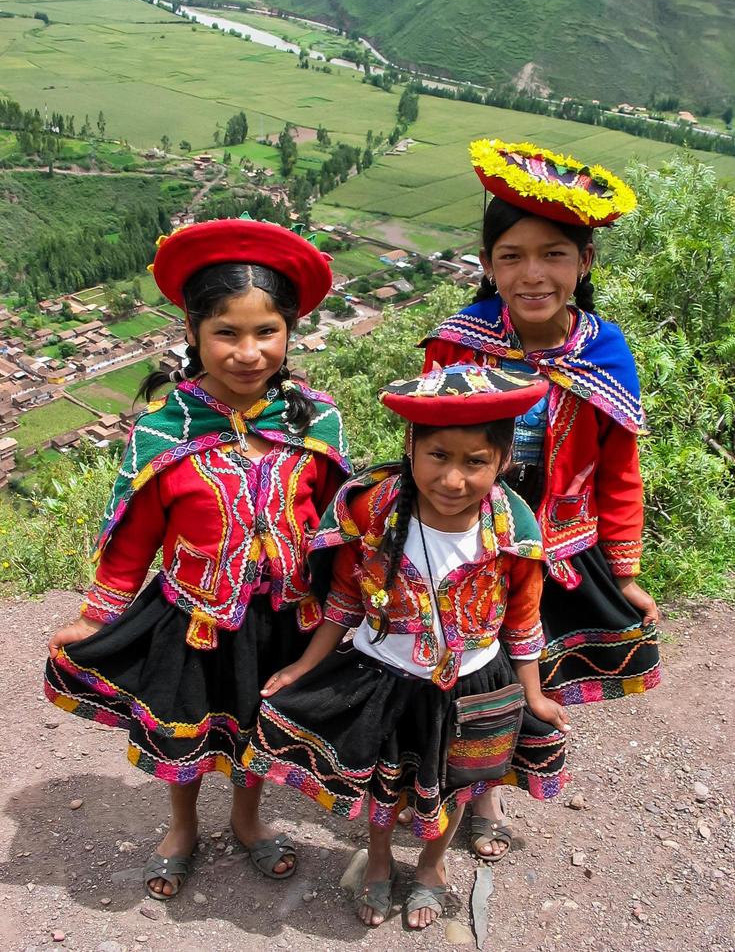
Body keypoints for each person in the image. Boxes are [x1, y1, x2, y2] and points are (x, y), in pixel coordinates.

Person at [44, 218, 351, 900]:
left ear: (289, 334)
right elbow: (133, 539)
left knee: (256, 727)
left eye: (265, 332)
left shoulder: (314, 423)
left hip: (285, 619)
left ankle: (247, 819)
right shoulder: (165, 429)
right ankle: (181, 827)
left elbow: (341, 528)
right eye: (226, 333)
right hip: (194, 618)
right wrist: (98, 619)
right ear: (193, 335)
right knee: (185, 733)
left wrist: (357, 606)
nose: (248, 352)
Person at [243, 363, 570, 930]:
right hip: (384, 675)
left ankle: (432, 868)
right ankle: (377, 860)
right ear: (412, 447)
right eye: (438, 456)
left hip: (473, 683)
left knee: (454, 786)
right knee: (385, 785)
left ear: (503, 462)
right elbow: (345, 596)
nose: (452, 480)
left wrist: (534, 695)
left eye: (476, 462)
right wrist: (304, 665)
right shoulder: (374, 511)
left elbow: (522, 618)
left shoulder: (514, 531)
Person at [421, 138, 661, 861]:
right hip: (467, 548)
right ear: (488, 265)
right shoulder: (457, 348)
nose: (532, 274)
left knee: (529, 683)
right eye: (511, 256)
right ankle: (463, 795)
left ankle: (490, 793)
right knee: (466, 677)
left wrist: (623, 572)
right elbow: (424, 449)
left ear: (584, 263)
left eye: (553, 254)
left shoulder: (603, 351)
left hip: (556, 551)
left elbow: (619, 469)